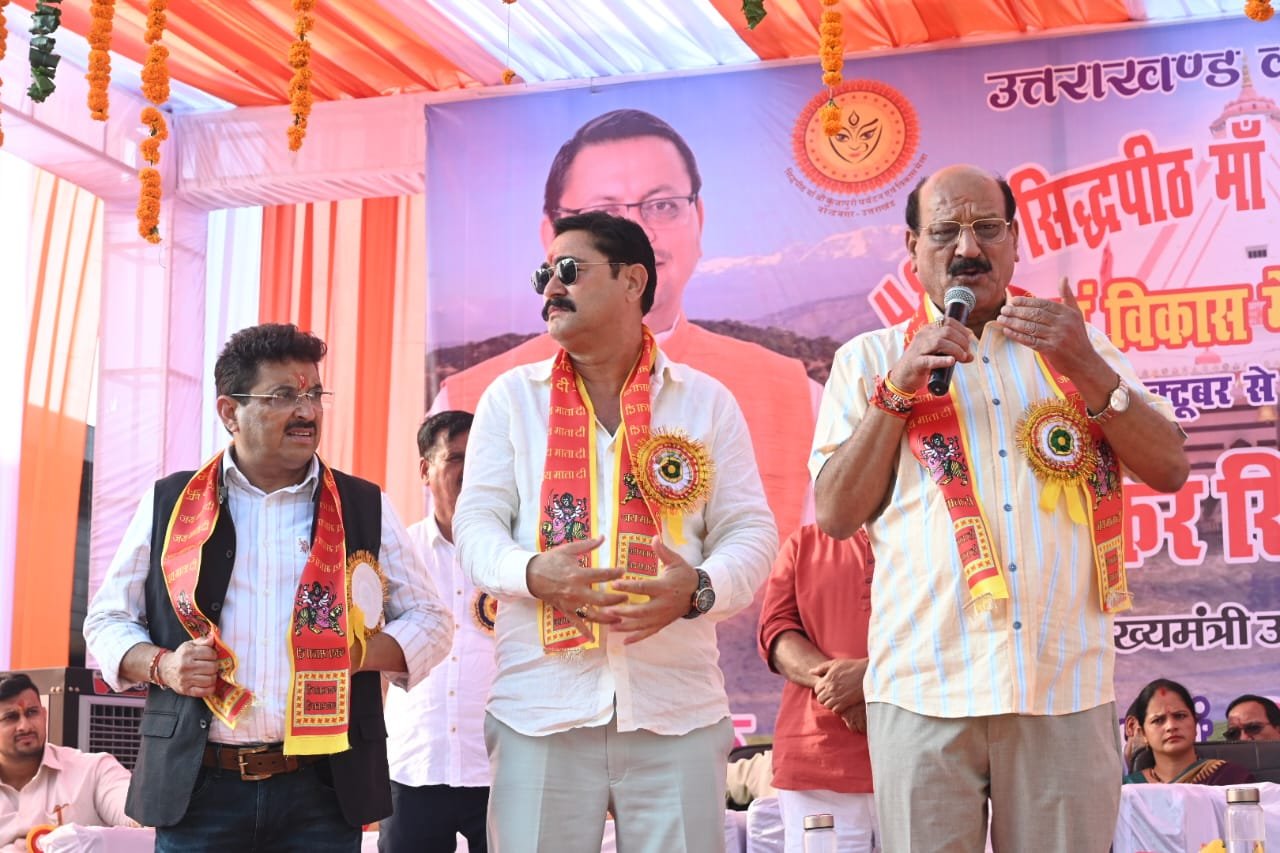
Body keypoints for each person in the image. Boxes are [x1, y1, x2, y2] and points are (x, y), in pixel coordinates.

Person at [811, 164, 1189, 852]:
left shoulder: (1073, 345)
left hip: (1061, 686)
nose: (968, 248)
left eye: (987, 228)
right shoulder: (869, 358)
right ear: (912, 248)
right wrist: (897, 389)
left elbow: (1169, 467)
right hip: (923, 689)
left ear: (1014, 240)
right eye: (945, 232)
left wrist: (1085, 364)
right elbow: (836, 514)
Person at [453, 210, 777, 852]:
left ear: (633, 281)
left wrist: (698, 589)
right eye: (544, 274)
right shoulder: (511, 398)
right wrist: (532, 573)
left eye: (569, 270)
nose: (551, 287)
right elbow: (475, 524)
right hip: (541, 709)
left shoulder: (704, 400)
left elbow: (749, 530)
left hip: (674, 709)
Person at [83, 323, 454, 853]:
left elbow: (432, 620)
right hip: (199, 786)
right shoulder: (171, 502)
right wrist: (163, 666)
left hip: (322, 789)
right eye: (283, 396)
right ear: (229, 412)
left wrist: (355, 653)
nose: (306, 412)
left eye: (314, 395)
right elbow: (107, 620)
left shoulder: (362, 504)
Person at [434, 108, 816, 543]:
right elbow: (472, 533)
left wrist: (701, 580)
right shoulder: (482, 398)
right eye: (602, 213)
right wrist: (532, 572)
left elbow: (762, 538)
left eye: (663, 206)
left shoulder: (780, 395)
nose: (637, 231)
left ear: (699, 219)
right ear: (548, 240)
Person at [380, 410, 492, 853]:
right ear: (425, 470)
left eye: (479, 456)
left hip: (499, 766)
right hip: (414, 763)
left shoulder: (515, 556)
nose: (470, 468)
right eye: (456, 457)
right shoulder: (397, 556)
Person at [757, 525, 877, 853]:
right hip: (817, 764)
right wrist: (838, 688)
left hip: (914, 761)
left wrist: (869, 678)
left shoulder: (928, 536)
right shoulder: (804, 543)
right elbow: (776, 633)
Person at [0, 673, 133, 852]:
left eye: (32, 712)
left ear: (44, 714)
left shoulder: (93, 770)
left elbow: (140, 817)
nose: (25, 726)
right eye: (11, 717)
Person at [1122, 679, 1255, 785]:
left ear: (1195, 723)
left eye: (1180, 716)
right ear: (1143, 733)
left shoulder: (1231, 778)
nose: (1171, 726)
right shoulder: (1130, 788)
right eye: (1158, 720)